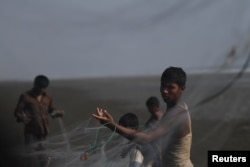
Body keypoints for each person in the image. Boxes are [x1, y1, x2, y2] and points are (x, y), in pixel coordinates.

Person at [92, 66, 193, 167]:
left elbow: (147, 139)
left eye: (170, 87)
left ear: (182, 88)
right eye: (163, 85)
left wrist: (111, 125)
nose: (164, 91)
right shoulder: (177, 107)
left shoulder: (177, 113)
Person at [14, 75, 64, 167]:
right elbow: (17, 112)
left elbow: (51, 110)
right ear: (35, 85)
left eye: (42, 88)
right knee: (30, 158)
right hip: (31, 132)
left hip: (43, 132)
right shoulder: (25, 96)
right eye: (39, 88)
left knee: (44, 157)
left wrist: (57, 113)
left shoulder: (47, 98)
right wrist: (22, 118)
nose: (40, 90)